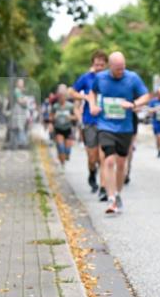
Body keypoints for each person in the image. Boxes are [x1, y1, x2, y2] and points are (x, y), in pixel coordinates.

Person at [86, 51, 149, 215]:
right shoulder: (100, 78)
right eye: (118, 69)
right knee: (109, 161)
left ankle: (118, 193)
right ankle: (111, 198)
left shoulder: (132, 78)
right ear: (110, 67)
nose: (121, 71)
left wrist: (133, 104)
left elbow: (146, 96)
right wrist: (92, 106)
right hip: (105, 125)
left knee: (121, 164)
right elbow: (92, 92)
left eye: (123, 68)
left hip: (125, 128)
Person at [72, 50, 109, 196]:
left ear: (106, 64)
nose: (99, 67)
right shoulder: (86, 78)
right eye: (96, 64)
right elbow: (71, 91)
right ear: (92, 64)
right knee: (92, 157)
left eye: (102, 64)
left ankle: (103, 188)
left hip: (106, 122)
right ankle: (92, 173)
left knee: (103, 156)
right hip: (90, 121)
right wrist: (85, 97)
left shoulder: (109, 78)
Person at [51, 84, 77, 167]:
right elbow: (51, 116)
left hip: (68, 128)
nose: (61, 98)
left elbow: (76, 117)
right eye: (60, 96)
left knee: (67, 152)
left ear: (66, 96)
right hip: (58, 128)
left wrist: (71, 117)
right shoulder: (55, 106)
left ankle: (65, 156)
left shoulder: (70, 106)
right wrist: (53, 118)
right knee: (61, 147)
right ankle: (62, 163)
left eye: (63, 96)